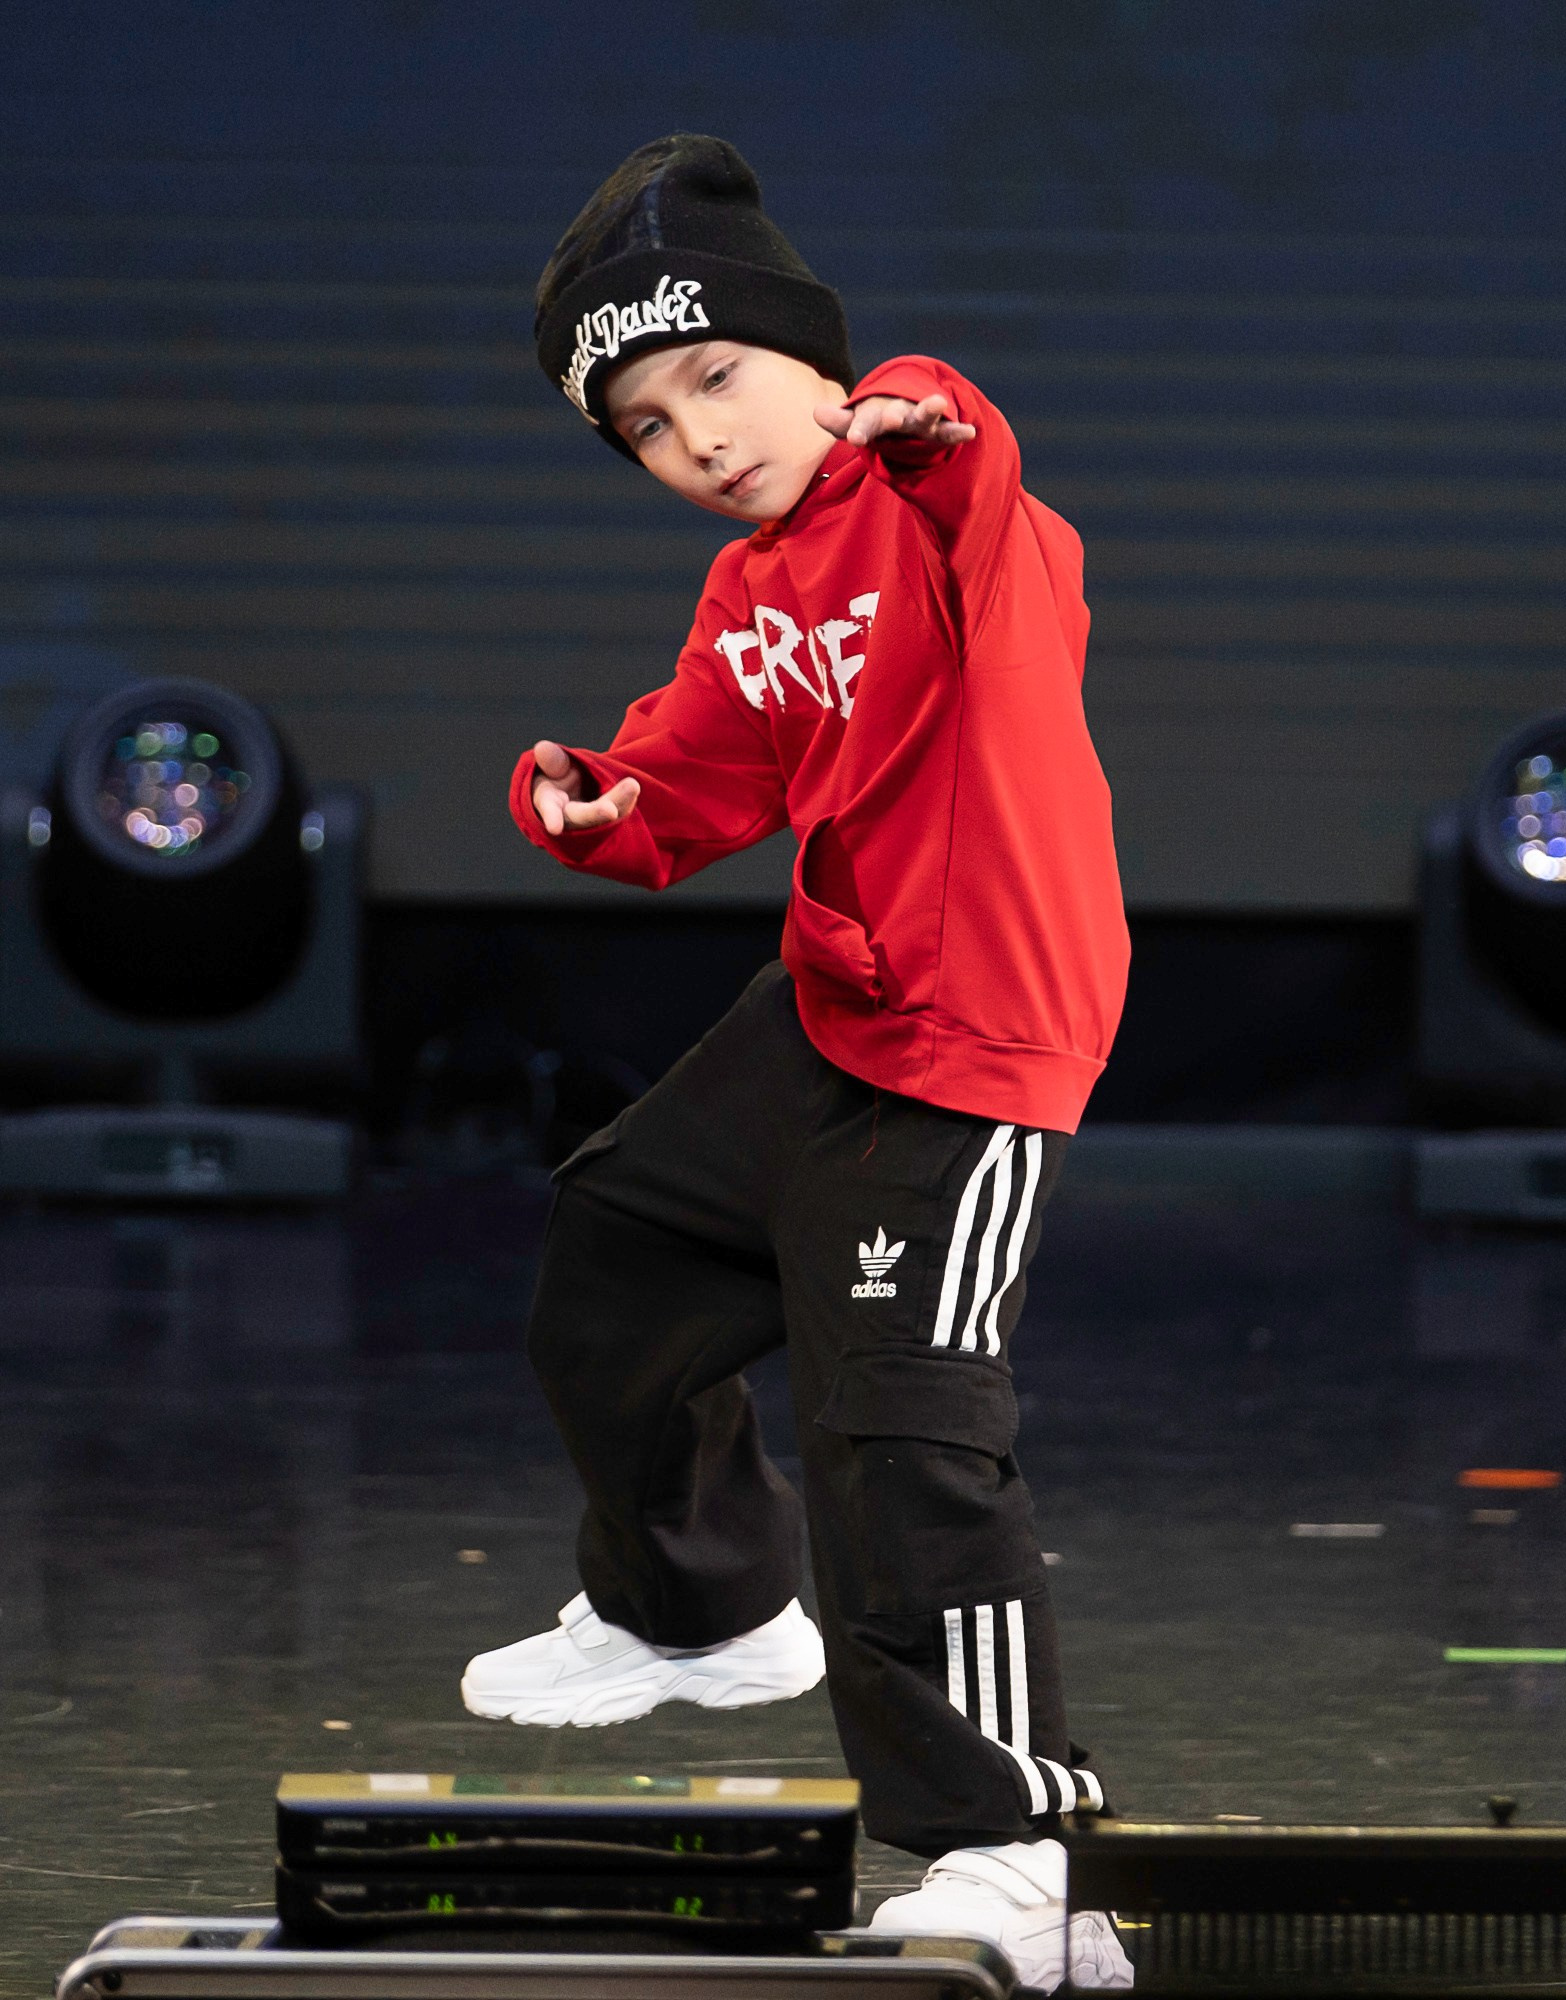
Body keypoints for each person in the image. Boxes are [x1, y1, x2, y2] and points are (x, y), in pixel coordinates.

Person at [461, 133, 1134, 1994]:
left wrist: (920, 420)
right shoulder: (756, 587)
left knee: (896, 1427)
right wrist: (600, 804)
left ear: (811, 356)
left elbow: (963, 450)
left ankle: (1021, 1851)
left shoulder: (951, 511)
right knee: (617, 1258)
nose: (701, 439)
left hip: (974, 1032)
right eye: (650, 429)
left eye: (719, 378)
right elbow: (700, 767)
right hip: (837, 997)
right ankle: (701, 1609)